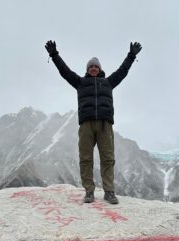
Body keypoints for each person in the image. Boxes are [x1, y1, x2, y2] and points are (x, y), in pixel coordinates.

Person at [45, 40, 142, 204]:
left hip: (105, 124)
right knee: (85, 158)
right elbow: (65, 71)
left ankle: (109, 192)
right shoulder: (80, 83)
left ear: (100, 69)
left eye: (96, 66)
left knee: (107, 158)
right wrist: (54, 55)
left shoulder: (108, 83)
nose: (94, 69)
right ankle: (89, 191)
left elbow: (122, 71)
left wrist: (131, 56)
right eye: (91, 67)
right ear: (87, 70)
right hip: (86, 125)